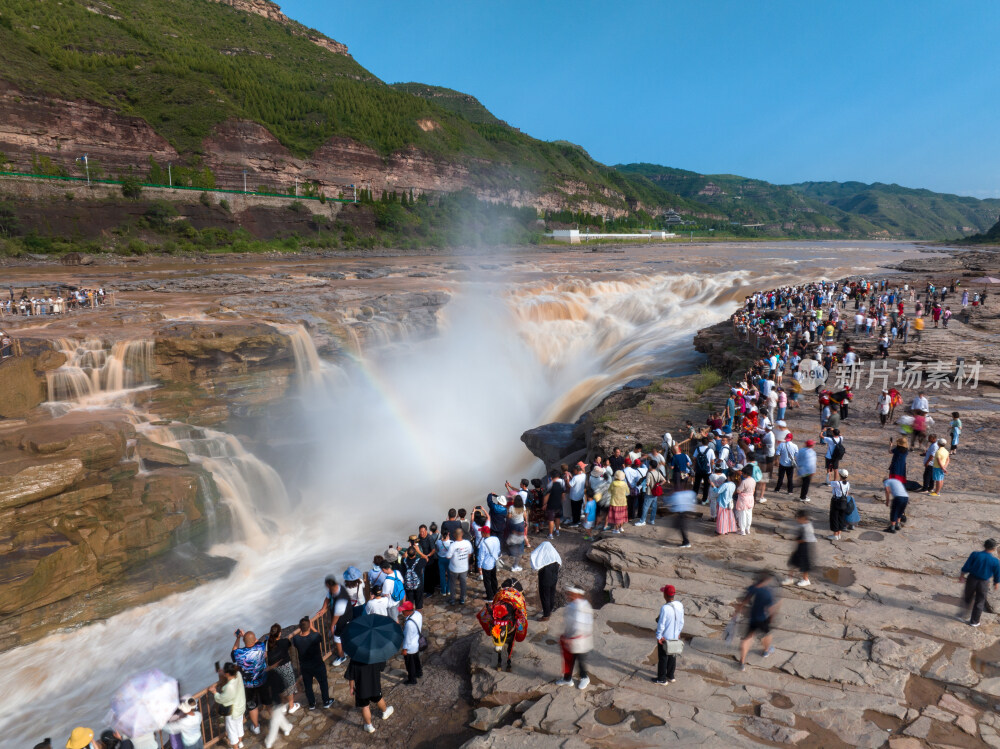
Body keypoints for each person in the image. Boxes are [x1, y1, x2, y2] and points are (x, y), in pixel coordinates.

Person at [736, 572, 778, 672]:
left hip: (752, 618)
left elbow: (745, 600)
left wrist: (737, 611)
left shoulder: (753, 588)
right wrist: (771, 619)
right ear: (767, 581)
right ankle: (766, 651)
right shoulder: (768, 593)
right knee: (766, 635)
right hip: (763, 619)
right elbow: (771, 609)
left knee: (747, 638)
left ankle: (742, 662)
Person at [230, 630, 267, 736]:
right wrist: (247, 635)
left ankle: (256, 727)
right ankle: (274, 719)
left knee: (252, 705)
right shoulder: (261, 647)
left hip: (248, 685)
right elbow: (254, 640)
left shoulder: (239, 654)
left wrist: (238, 638)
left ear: (243, 641)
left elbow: (233, 650)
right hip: (262, 680)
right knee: (267, 702)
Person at [556, 586, 593, 689]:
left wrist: (571, 638)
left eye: (570, 594)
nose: (568, 596)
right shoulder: (572, 605)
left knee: (580, 660)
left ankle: (585, 677)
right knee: (569, 660)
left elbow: (581, 625)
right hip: (570, 637)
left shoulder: (583, 607)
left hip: (580, 640)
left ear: (577, 595)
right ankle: (567, 679)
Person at [291, 617, 333, 710]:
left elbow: (295, 641)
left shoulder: (296, 639)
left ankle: (311, 704)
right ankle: (326, 701)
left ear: (299, 627)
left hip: (305, 666)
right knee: (323, 682)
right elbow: (320, 635)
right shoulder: (315, 636)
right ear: (309, 626)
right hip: (317, 664)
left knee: (308, 685)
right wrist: (312, 627)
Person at [345, 657, 394, 734]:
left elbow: (351, 676)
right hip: (374, 685)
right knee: (379, 699)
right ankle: (385, 712)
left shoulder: (355, 659)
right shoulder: (375, 655)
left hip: (361, 689)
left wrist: (351, 687)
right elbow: (382, 667)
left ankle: (369, 726)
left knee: (365, 706)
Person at [960, 539, 1000, 627]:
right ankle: (974, 622)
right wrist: (996, 583)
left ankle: (964, 614)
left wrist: (962, 575)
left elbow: (967, 566)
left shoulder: (975, 554)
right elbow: (997, 573)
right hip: (984, 583)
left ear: (984, 546)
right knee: (980, 601)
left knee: (968, 596)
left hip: (972, 579)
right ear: (994, 548)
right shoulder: (995, 561)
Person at [315, 576, 351, 666]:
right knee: (343, 634)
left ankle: (342, 656)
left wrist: (332, 625)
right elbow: (327, 598)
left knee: (337, 637)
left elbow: (337, 615)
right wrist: (323, 609)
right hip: (341, 617)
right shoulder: (335, 588)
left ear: (328, 585)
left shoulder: (341, 598)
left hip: (343, 618)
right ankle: (345, 650)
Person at [265, 623, 300, 715]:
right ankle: (291, 706)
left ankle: (283, 705)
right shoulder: (284, 642)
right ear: (280, 633)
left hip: (274, 669)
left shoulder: (267, 643)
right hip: (285, 667)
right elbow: (288, 642)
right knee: (289, 686)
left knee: (280, 687)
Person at [209, 663, 246, 749]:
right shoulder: (238, 674)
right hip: (241, 706)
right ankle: (240, 743)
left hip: (233, 711)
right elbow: (231, 677)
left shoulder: (229, 687)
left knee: (232, 731)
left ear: (227, 673)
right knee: (239, 725)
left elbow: (221, 699)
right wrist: (223, 674)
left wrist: (214, 692)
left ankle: (235, 747)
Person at [653, 584, 684, 685]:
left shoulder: (665, 608)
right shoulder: (679, 605)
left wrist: (658, 636)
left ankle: (662, 679)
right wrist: (678, 632)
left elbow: (661, 624)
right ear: (673, 595)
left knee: (663, 657)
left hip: (665, 637)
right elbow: (681, 621)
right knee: (672, 655)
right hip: (675, 636)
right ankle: (671, 676)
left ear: (665, 595)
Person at [782, 510, 815, 587]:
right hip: (800, 547)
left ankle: (806, 580)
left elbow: (807, 539)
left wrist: (798, 540)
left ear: (803, 518)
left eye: (798, 518)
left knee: (804, 565)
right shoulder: (802, 525)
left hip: (805, 548)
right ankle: (790, 578)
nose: (797, 520)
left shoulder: (808, 527)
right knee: (792, 562)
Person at [531, 541, 562, 621]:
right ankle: (550, 610)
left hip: (545, 580)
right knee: (551, 594)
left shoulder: (543, 559)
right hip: (554, 578)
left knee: (545, 596)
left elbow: (535, 558)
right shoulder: (555, 557)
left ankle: (546, 615)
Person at [443, 528, 473, 605]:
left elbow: (448, 556)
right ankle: (462, 599)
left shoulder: (453, 545)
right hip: (464, 568)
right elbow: (470, 553)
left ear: (454, 535)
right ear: (462, 534)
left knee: (452, 584)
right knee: (463, 583)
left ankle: (452, 599)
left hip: (454, 568)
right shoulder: (467, 543)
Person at [400, 600, 424, 684]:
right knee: (416, 660)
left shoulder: (409, 624)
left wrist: (404, 649)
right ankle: (419, 672)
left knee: (410, 664)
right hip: (417, 642)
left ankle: (412, 680)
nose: (402, 612)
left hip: (411, 647)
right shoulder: (418, 614)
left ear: (408, 611)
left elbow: (407, 638)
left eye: (403, 610)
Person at [477, 526, 502, 601]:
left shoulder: (483, 544)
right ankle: (495, 592)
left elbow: (481, 556)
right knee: (494, 579)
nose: (480, 533)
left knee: (487, 582)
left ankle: (490, 597)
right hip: (494, 563)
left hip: (486, 565)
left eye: (481, 532)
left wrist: (479, 566)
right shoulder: (496, 539)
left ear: (484, 533)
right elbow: (498, 550)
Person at [402, 543, 427, 611]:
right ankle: (418, 616)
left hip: (408, 586)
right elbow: (426, 558)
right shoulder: (419, 561)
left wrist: (408, 549)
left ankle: (409, 616)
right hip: (418, 585)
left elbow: (404, 556)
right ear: (415, 553)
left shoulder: (404, 561)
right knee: (419, 604)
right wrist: (419, 551)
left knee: (409, 603)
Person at [506, 495, 529, 570]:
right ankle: (521, 550)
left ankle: (512, 551)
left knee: (513, 536)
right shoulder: (523, 507)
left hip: (514, 524)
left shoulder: (512, 507)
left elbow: (509, 517)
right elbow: (525, 515)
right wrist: (526, 522)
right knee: (521, 537)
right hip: (521, 524)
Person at [542, 468, 565, 539]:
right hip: (559, 504)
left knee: (551, 520)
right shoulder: (561, 484)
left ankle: (550, 535)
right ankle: (557, 531)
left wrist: (544, 504)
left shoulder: (550, 485)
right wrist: (561, 501)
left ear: (551, 477)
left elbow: (546, 496)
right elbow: (563, 495)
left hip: (551, 505)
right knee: (557, 518)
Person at [828, 469, 850, 542]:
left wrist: (829, 474)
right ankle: (839, 534)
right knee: (841, 518)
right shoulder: (848, 484)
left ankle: (835, 535)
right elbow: (847, 493)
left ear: (840, 475)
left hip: (836, 501)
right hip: (844, 502)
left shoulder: (837, 483)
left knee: (834, 517)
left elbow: (828, 482)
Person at [734, 466, 756, 535]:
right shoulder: (753, 480)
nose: (742, 474)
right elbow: (753, 489)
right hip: (750, 498)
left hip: (744, 499)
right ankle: (747, 529)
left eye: (743, 473)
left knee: (742, 514)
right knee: (749, 514)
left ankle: (742, 530)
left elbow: (738, 491)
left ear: (746, 473)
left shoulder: (744, 481)